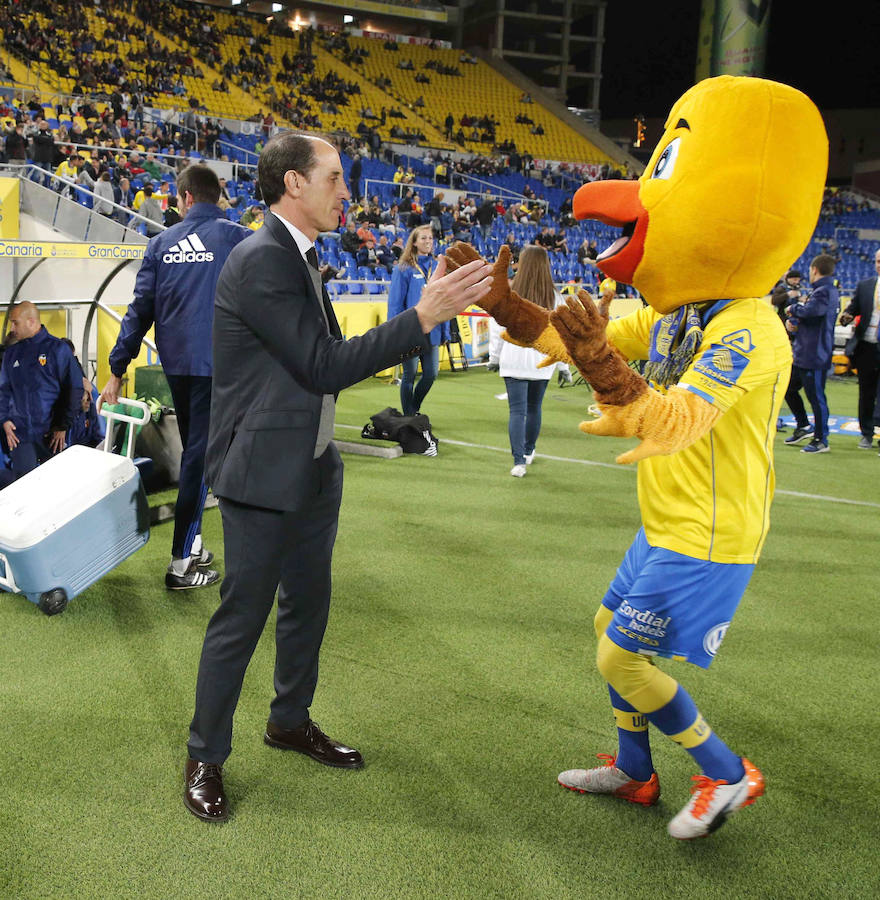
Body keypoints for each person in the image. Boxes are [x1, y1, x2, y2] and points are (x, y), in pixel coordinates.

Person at [183, 132, 494, 823]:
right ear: (294, 183)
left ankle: (288, 721)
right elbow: (323, 365)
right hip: (261, 476)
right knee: (242, 618)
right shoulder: (261, 259)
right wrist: (422, 317)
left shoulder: (296, 257)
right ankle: (205, 755)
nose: (346, 192)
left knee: (307, 607)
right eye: (334, 178)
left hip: (312, 468)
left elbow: (316, 371)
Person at [100, 164, 251, 589]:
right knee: (202, 460)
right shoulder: (237, 237)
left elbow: (139, 311)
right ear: (216, 197)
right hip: (221, 369)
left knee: (199, 454)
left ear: (183, 198)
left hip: (179, 369)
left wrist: (116, 369)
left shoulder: (161, 244)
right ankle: (182, 563)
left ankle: (195, 543)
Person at [488, 246, 568, 477]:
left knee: (517, 411)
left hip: (513, 359)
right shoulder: (555, 297)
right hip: (542, 362)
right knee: (534, 409)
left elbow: (498, 328)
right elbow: (560, 336)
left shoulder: (510, 294)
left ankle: (518, 461)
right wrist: (562, 366)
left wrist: (494, 358)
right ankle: (530, 451)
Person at [0, 303, 81, 486]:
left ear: (30, 321)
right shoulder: (12, 353)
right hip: (20, 434)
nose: (12, 328)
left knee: (53, 486)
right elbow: (3, 390)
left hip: (52, 435)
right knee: (23, 486)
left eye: (15, 323)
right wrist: (4, 420)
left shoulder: (58, 350)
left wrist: (62, 426)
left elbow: (74, 388)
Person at [387, 225, 449, 415]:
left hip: (434, 331)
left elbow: (443, 301)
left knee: (431, 374)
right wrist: (394, 331)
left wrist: (445, 330)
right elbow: (396, 303)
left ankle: (413, 409)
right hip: (411, 331)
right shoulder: (403, 269)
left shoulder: (437, 268)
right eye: (423, 238)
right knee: (409, 375)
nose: (428, 241)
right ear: (414, 242)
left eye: (430, 238)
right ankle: (409, 416)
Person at [783, 254, 840, 453]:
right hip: (804, 352)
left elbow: (810, 312)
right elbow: (813, 319)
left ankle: (821, 439)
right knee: (789, 389)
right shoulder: (822, 291)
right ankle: (804, 426)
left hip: (814, 355)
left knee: (816, 397)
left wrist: (793, 308)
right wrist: (795, 325)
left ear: (814, 270)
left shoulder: (824, 291)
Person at [839, 249, 880, 450]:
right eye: (878, 261)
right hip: (866, 348)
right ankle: (866, 434)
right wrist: (846, 316)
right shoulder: (865, 286)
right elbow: (852, 309)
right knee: (866, 393)